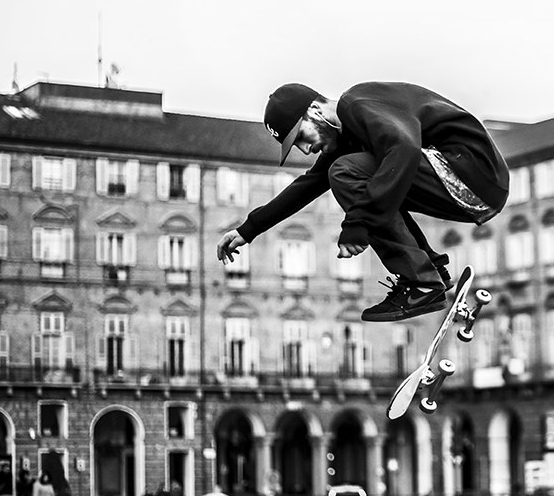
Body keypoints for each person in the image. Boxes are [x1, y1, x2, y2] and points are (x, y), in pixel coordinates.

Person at [216, 82, 509, 323]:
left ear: (315, 110)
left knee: (347, 172)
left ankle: (420, 282)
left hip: (471, 171)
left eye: (302, 137)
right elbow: (305, 186)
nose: (306, 150)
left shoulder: (357, 104)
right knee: (356, 173)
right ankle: (430, 271)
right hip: (474, 184)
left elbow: (404, 147)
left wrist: (358, 222)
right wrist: (248, 230)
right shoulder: (348, 137)